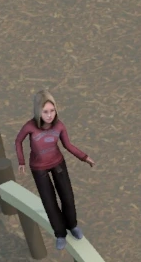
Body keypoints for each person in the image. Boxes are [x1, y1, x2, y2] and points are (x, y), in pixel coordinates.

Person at [15, 90, 95, 250]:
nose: (49, 115)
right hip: (39, 168)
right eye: (45, 111)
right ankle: (60, 233)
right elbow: (18, 141)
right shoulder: (30, 126)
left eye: (52, 110)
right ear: (38, 111)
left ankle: (72, 225)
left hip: (57, 163)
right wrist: (21, 161)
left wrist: (84, 157)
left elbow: (68, 145)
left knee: (67, 196)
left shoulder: (59, 125)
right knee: (49, 202)